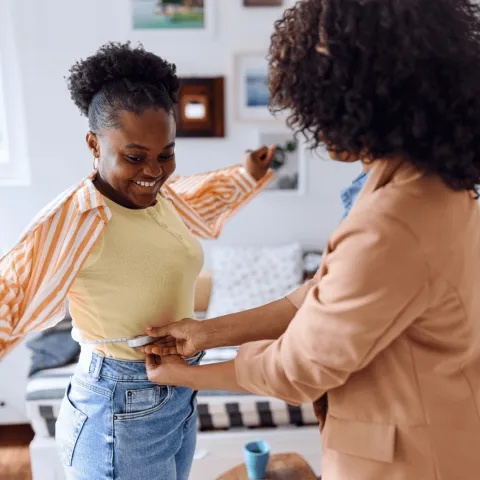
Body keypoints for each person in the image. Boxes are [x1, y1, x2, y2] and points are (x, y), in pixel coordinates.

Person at [142, 1, 480, 478]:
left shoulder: (393, 224)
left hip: (415, 461)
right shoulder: (432, 185)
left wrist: (188, 375)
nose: (313, 128)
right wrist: (207, 332)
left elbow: (296, 369)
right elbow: (317, 297)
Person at [0, 42, 275, 479]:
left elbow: (199, 198)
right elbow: (9, 297)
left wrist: (247, 175)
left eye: (165, 153)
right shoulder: (74, 218)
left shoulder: (161, 199)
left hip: (177, 390)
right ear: (93, 142)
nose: (154, 170)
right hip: (117, 402)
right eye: (134, 157)